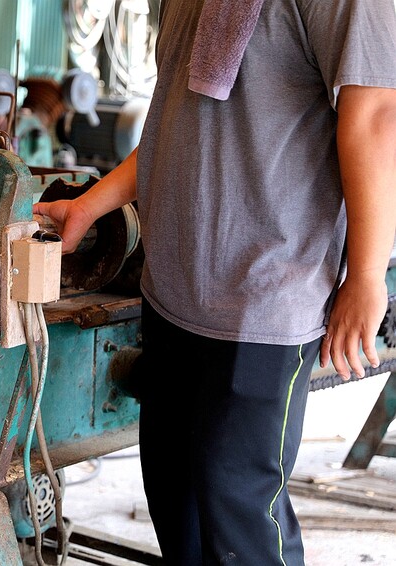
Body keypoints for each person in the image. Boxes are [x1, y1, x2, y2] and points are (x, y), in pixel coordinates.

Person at [34, 0, 396, 564]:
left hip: (265, 300)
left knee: (239, 514)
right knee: (177, 502)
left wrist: (367, 274)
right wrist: (89, 205)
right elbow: (175, 123)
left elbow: (374, 112)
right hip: (173, 289)